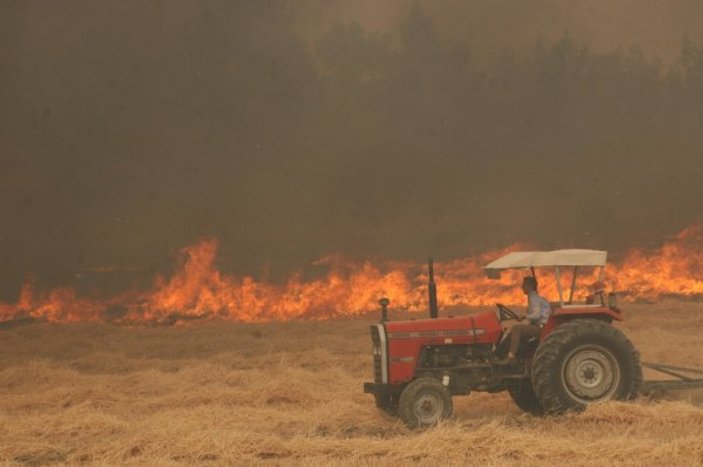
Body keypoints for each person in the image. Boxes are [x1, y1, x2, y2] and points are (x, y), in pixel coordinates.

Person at [505, 276, 551, 361]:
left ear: (530, 286)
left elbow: (536, 315)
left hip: (541, 327)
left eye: (524, 285)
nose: (522, 287)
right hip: (538, 325)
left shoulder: (534, 298)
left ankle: (511, 355)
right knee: (515, 330)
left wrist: (524, 317)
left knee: (516, 328)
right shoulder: (533, 298)